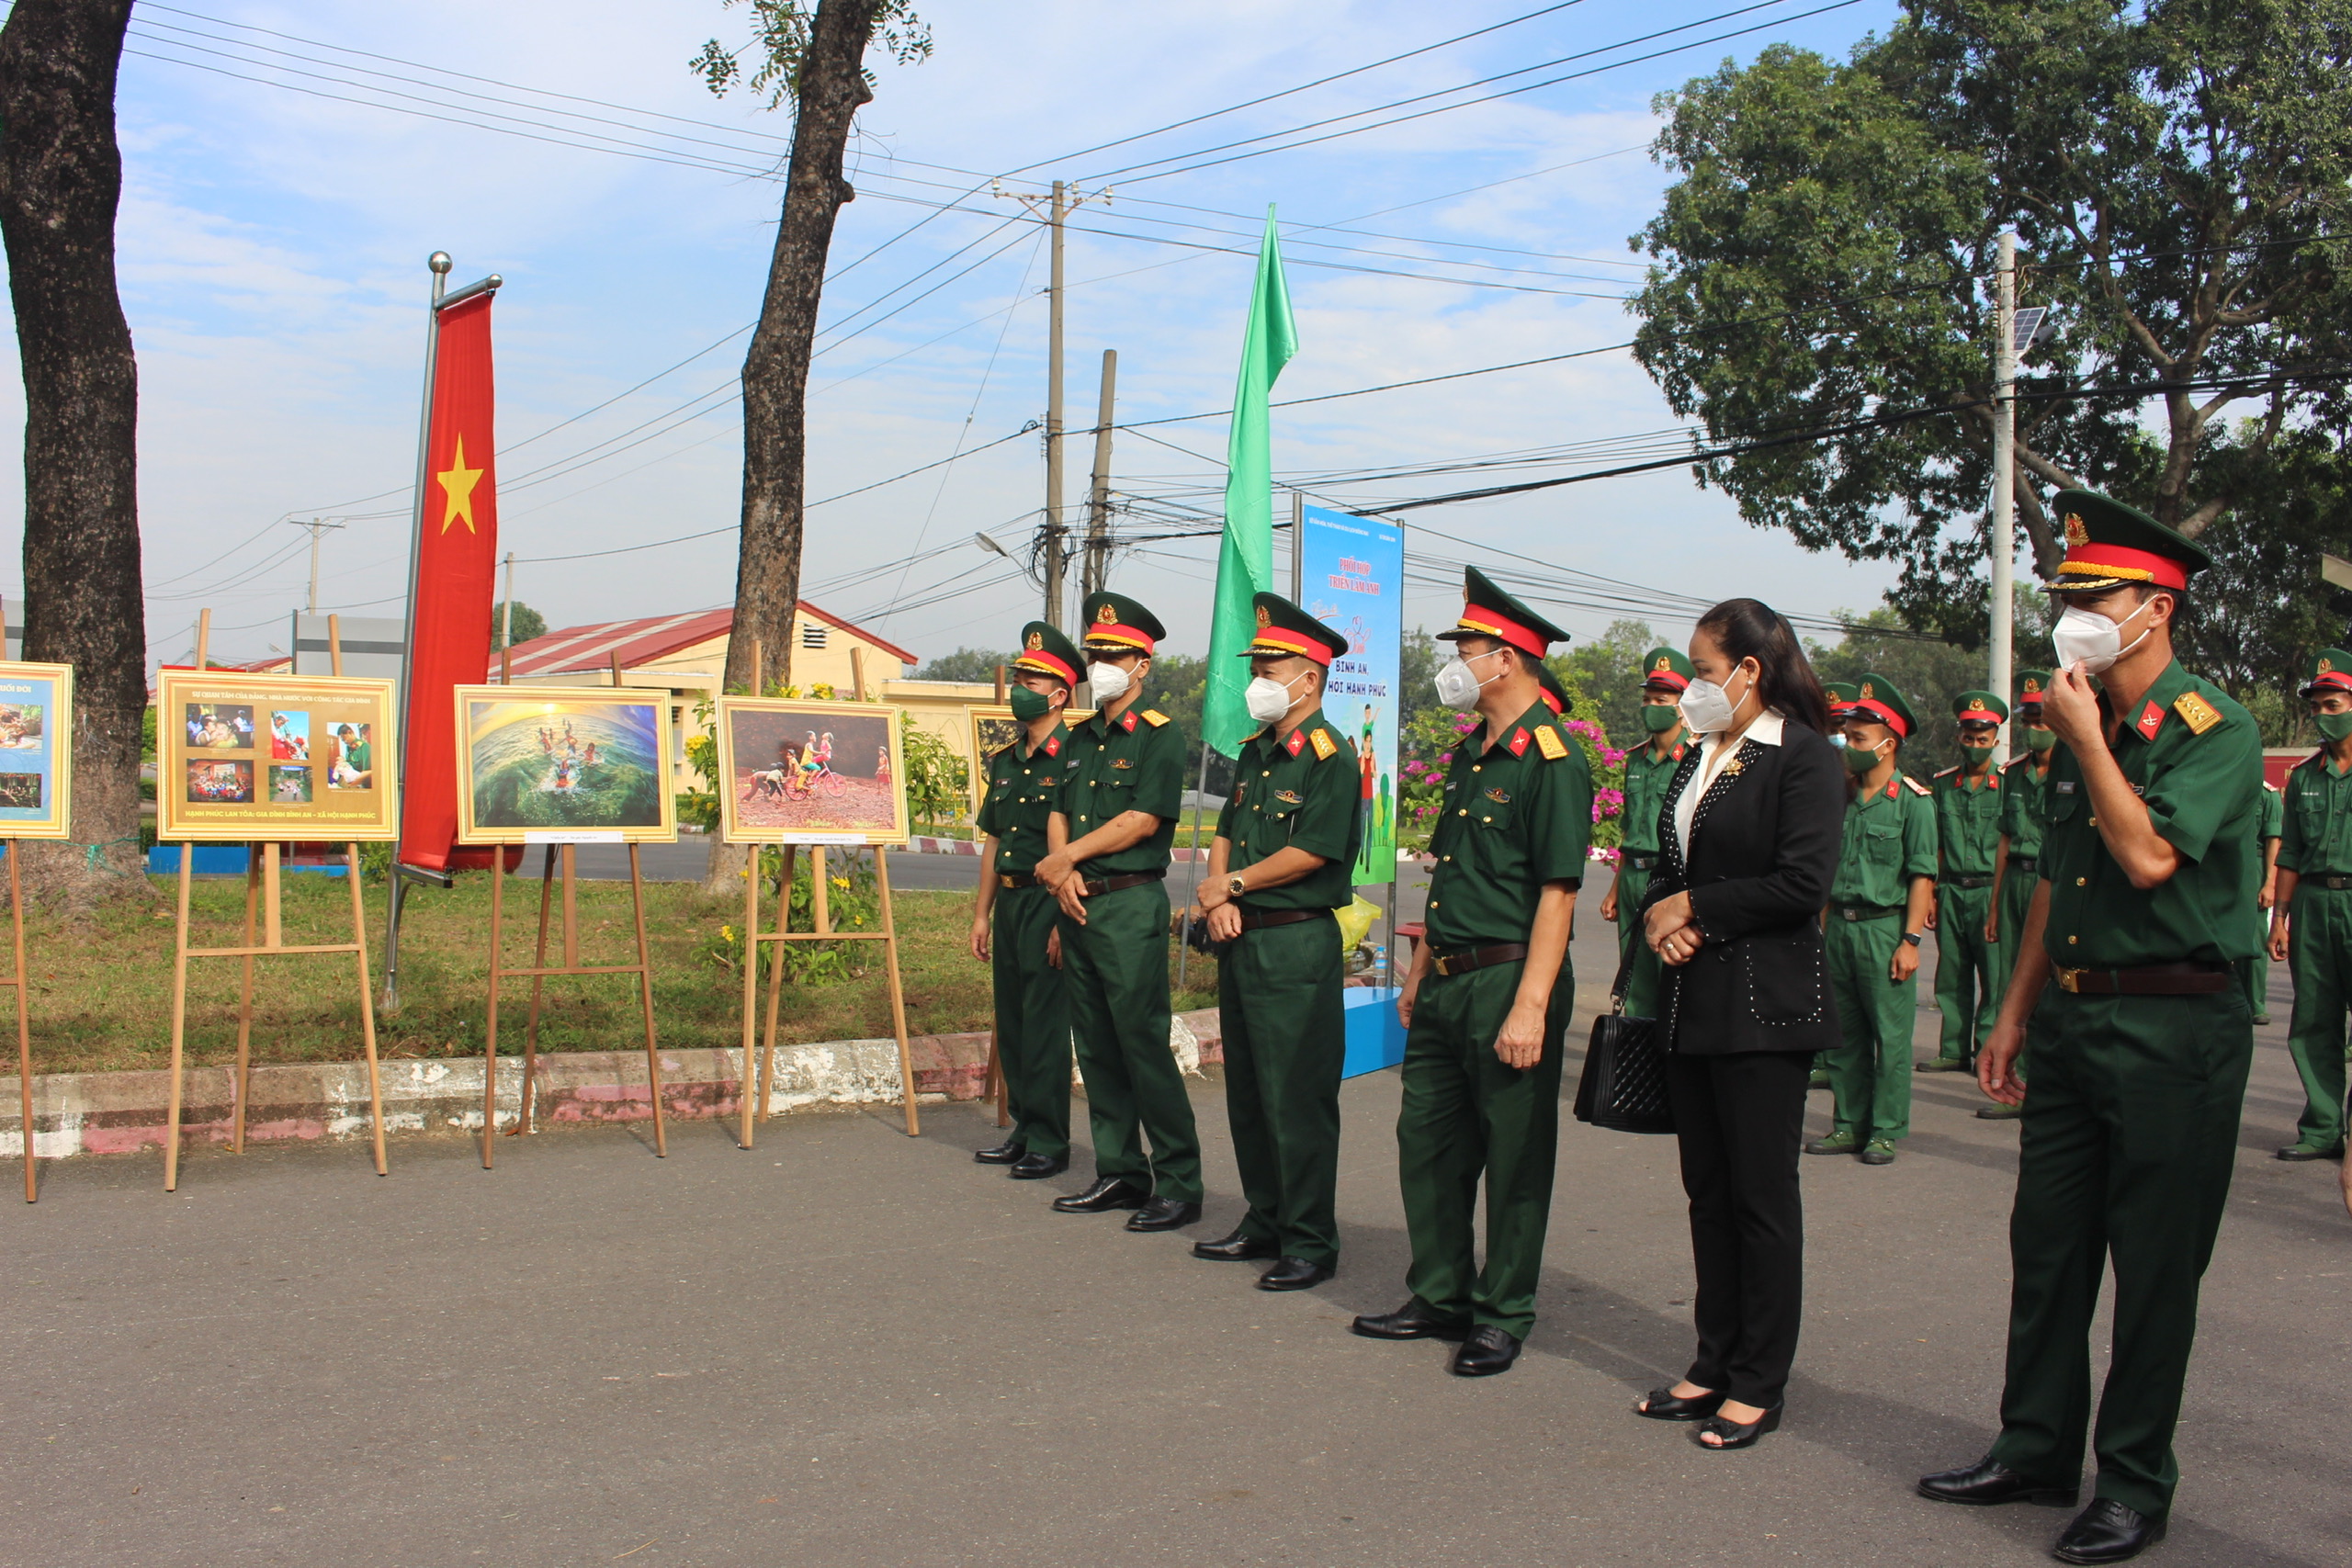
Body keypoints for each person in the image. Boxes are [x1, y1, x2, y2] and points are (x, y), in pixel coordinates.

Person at [1919, 491, 2262, 1566]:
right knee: (2049, 1247)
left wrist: (2085, 742)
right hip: (2071, 1016)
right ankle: (2032, 1448)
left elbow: (2149, 857)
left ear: (2154, 610)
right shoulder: (2083, 725)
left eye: (2092, 596)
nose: (2071, 613)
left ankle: (2132, 1484)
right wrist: (2012, 1013)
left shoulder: (2212, 726)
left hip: (2176, 1028)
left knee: (2153, 1268)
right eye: (2065, 595)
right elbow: (2055, 887)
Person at [1351, 569, 1589, 1378]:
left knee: (1514, 1156)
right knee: (1429, 1144)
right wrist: (1419, 970)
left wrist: (1530, 1006)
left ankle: (1503, 1311)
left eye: (1470, 646)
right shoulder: (1469, 755)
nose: (1456, 659)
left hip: (1508, 980)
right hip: (1448, 977)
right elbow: (1452, 875)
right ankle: (1440, 1292)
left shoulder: (1550, 758)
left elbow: (1557, 894)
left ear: (1511, 659)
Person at [1628, 598, 1844, 1451]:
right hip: (1690, 1002)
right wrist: (1662, 914)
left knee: (1761, 1199)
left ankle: (1760, 1379)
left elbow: (1802, 883)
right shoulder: (1701, 756)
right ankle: (1712, 1358)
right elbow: (1669, 866)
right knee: (1707, 1196)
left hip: (1763, 1009)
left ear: (1750, 671)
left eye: (1705, 670)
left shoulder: (1805, 758)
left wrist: (1695, 909)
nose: (1693, 686)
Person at [1192, 594, 1361, 1291]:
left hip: (1295, 943)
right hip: (1243, 940)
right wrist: (1217, 889)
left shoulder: (1331, 755)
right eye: (1256, 663)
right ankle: (1264, 1217)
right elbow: (1227, 829)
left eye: (1270, 664)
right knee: (1252, 1095)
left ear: (1310, 678)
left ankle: (1310, 1239)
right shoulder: (1256, 750)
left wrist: (1231, 888)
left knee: (1298, 1096)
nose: (1258, 676)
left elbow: (1314, 851)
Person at [1035, 592, 1203, 1233]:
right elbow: (1057, 812)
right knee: (1096, 1044)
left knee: (1141, 1043)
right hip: (1078, 903)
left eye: (1113, 653)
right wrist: (1063, 875)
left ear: (1143, 664)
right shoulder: (1080, 737)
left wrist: (1066, 859)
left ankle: (1180, 1179)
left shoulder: (1161, 734)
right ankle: (1121, 1171)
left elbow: (1141, 820)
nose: (1100, 662)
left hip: (1130, 902)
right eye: (1095, 652)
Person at [968, 621, 1084, 1180]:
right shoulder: (1006, 759)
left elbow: (1080, 850)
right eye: (1018, 676)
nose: (1019, 687)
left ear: (1059, 694)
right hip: (1011, 904)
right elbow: (995, 840)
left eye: (1030, 679)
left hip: (1048, 903)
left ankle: (1050, 1140)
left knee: (1043, 1024)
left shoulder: (1076, 757)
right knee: (1012, 1023)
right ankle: (1022, 1127)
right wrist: (980, 913)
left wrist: (1066, 917)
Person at [1808, 676, 1937, 1166]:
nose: (1849, 747)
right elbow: (1823, 870)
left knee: (1891, 1036)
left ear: (1888, 744)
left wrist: (1911, 940)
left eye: (1859, 739)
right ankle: (1848, 1124)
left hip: (1885, 930)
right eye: (1848, 738)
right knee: (1843, 1033)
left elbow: (1922, 875)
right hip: (1839, 925)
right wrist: (1818, 933)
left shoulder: (1914, 802)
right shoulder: (1839, 797)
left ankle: (1884, 1130)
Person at [2267, 649, 2352, 1162]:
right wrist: (2280, 917)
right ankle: (2323, 1127)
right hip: (2316, 902)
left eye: (2334, 703)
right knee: (2315, 1018)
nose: (2324, 714)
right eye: (2317, 706)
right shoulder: (2303, 776)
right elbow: (2291, 852)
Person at [1980, 671, 2056, 1122]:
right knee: (2015, 983)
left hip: (2053, 884)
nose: (2036, 728)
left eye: (2043, 720)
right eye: (2030, 719)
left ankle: (2046, 1086)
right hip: (2016, 882)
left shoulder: (2077, 768)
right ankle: (2018, 1082)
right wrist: (1994, 905)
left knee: (2051, 989)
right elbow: (2004, 842)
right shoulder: (2014, 774)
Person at [1600, 647, 1691, 1017]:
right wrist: (1615, 888)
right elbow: (1628, 828)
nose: (1651, 705)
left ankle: (1670, 1069)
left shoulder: (1696, 758)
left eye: (1662, 699)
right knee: (1633, 975)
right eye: (1647, 698)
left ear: (1682, 707)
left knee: (1670, 977)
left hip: (1669, 879)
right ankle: (1638, 1069)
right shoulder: (1635, 760)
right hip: (1634, 877)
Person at [1924, 692, 2010, 1074]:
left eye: (1982, 738)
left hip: (1990, 890)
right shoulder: (1942, 784)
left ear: (1995, 739)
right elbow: (1937, 844)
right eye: (1968, 737)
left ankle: (1985, 1051)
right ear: (1958, 737)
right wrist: (1931, 892)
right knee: (1952, 973)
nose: (1975, 745)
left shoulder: (2009, 783)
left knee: (1993, 977)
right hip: (1952, 890)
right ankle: (1953, 1049)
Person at [2249, 776, 2281, 1027]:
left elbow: (2273, 840)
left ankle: (2256, 1004)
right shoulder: (2224, 786)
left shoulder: (2267, 795)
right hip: (2224, 867)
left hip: (2255, 867)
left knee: (2256, 940)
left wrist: (2269, 883)